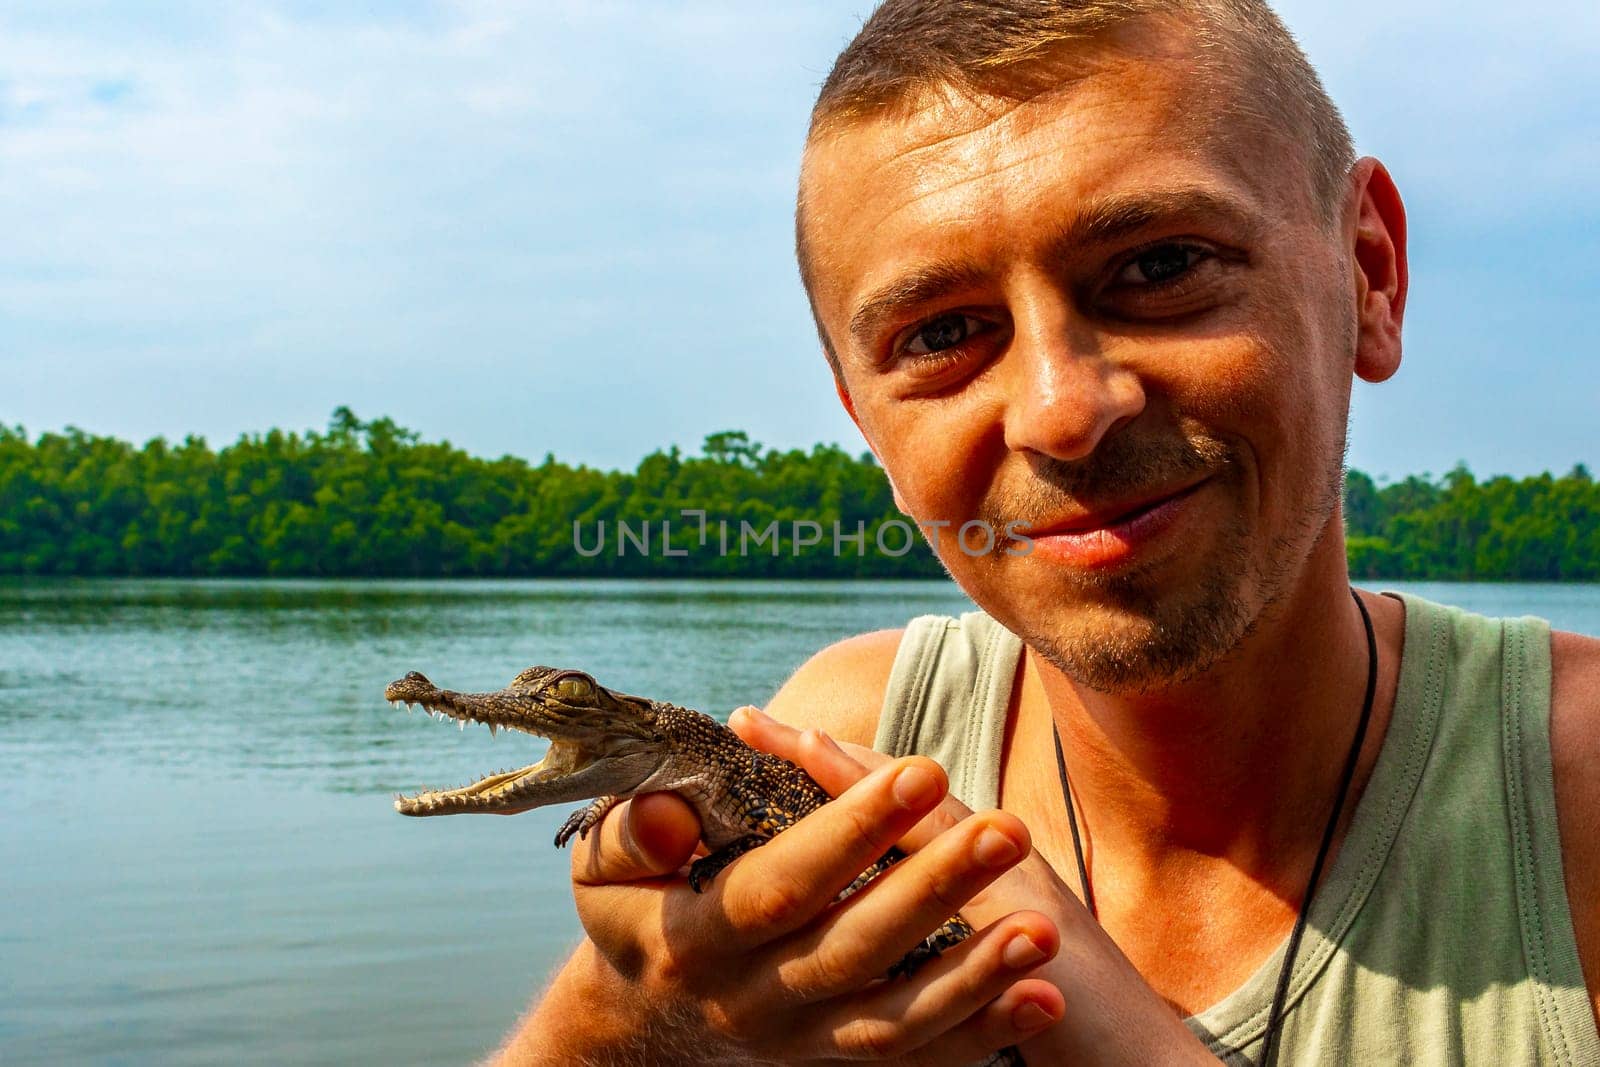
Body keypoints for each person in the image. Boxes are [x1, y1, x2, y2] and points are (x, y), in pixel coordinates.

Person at [497, 1, 1600, 1062]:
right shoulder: (849, 734)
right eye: (943, 333)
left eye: (1159, 265)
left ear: (1369, 273)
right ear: (868, 428)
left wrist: (1081, 992)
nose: (1061, 413)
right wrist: (630, 1013)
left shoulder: (1576, 786)